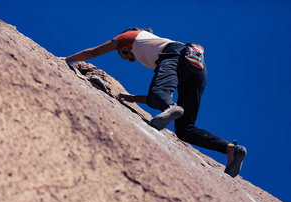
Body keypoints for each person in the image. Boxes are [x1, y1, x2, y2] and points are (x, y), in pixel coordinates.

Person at [62, 27, 247, 178]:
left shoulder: (131, 36)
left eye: (125, 54)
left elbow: (93, 52)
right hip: (198, 66)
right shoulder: (154, 45)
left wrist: (66, 59)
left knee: (160, 94)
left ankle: (170, 107)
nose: (129, 57)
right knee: (185, 129)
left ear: (124, 45)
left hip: (176, 55)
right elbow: (156, 95)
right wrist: (134, 99)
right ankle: (231, 150)